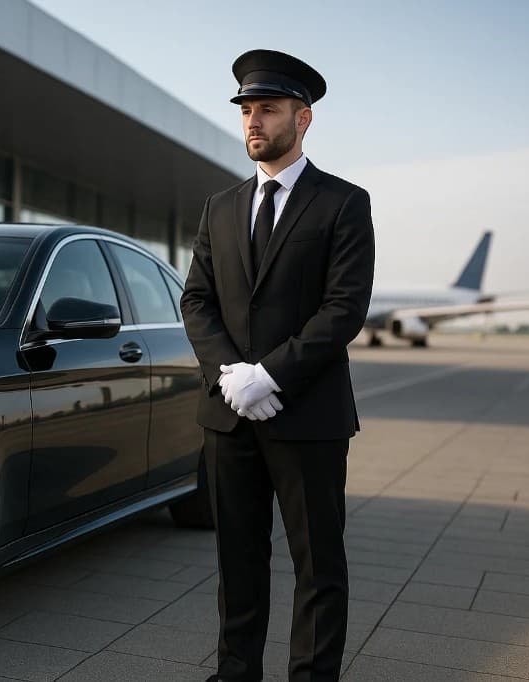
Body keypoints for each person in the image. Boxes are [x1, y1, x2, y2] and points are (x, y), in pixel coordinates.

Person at [180, 49, 375, 681]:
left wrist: (271, 375)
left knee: (318, 565)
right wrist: (232, 376)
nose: (253, 122)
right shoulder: (220, 206)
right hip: (230, 415)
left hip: (308, 413)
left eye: (268, 109)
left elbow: (344, 309)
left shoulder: (344, 203)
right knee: (237, 560)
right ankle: (236, 674)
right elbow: (197, 300)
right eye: (246, 111)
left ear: (303, 118)